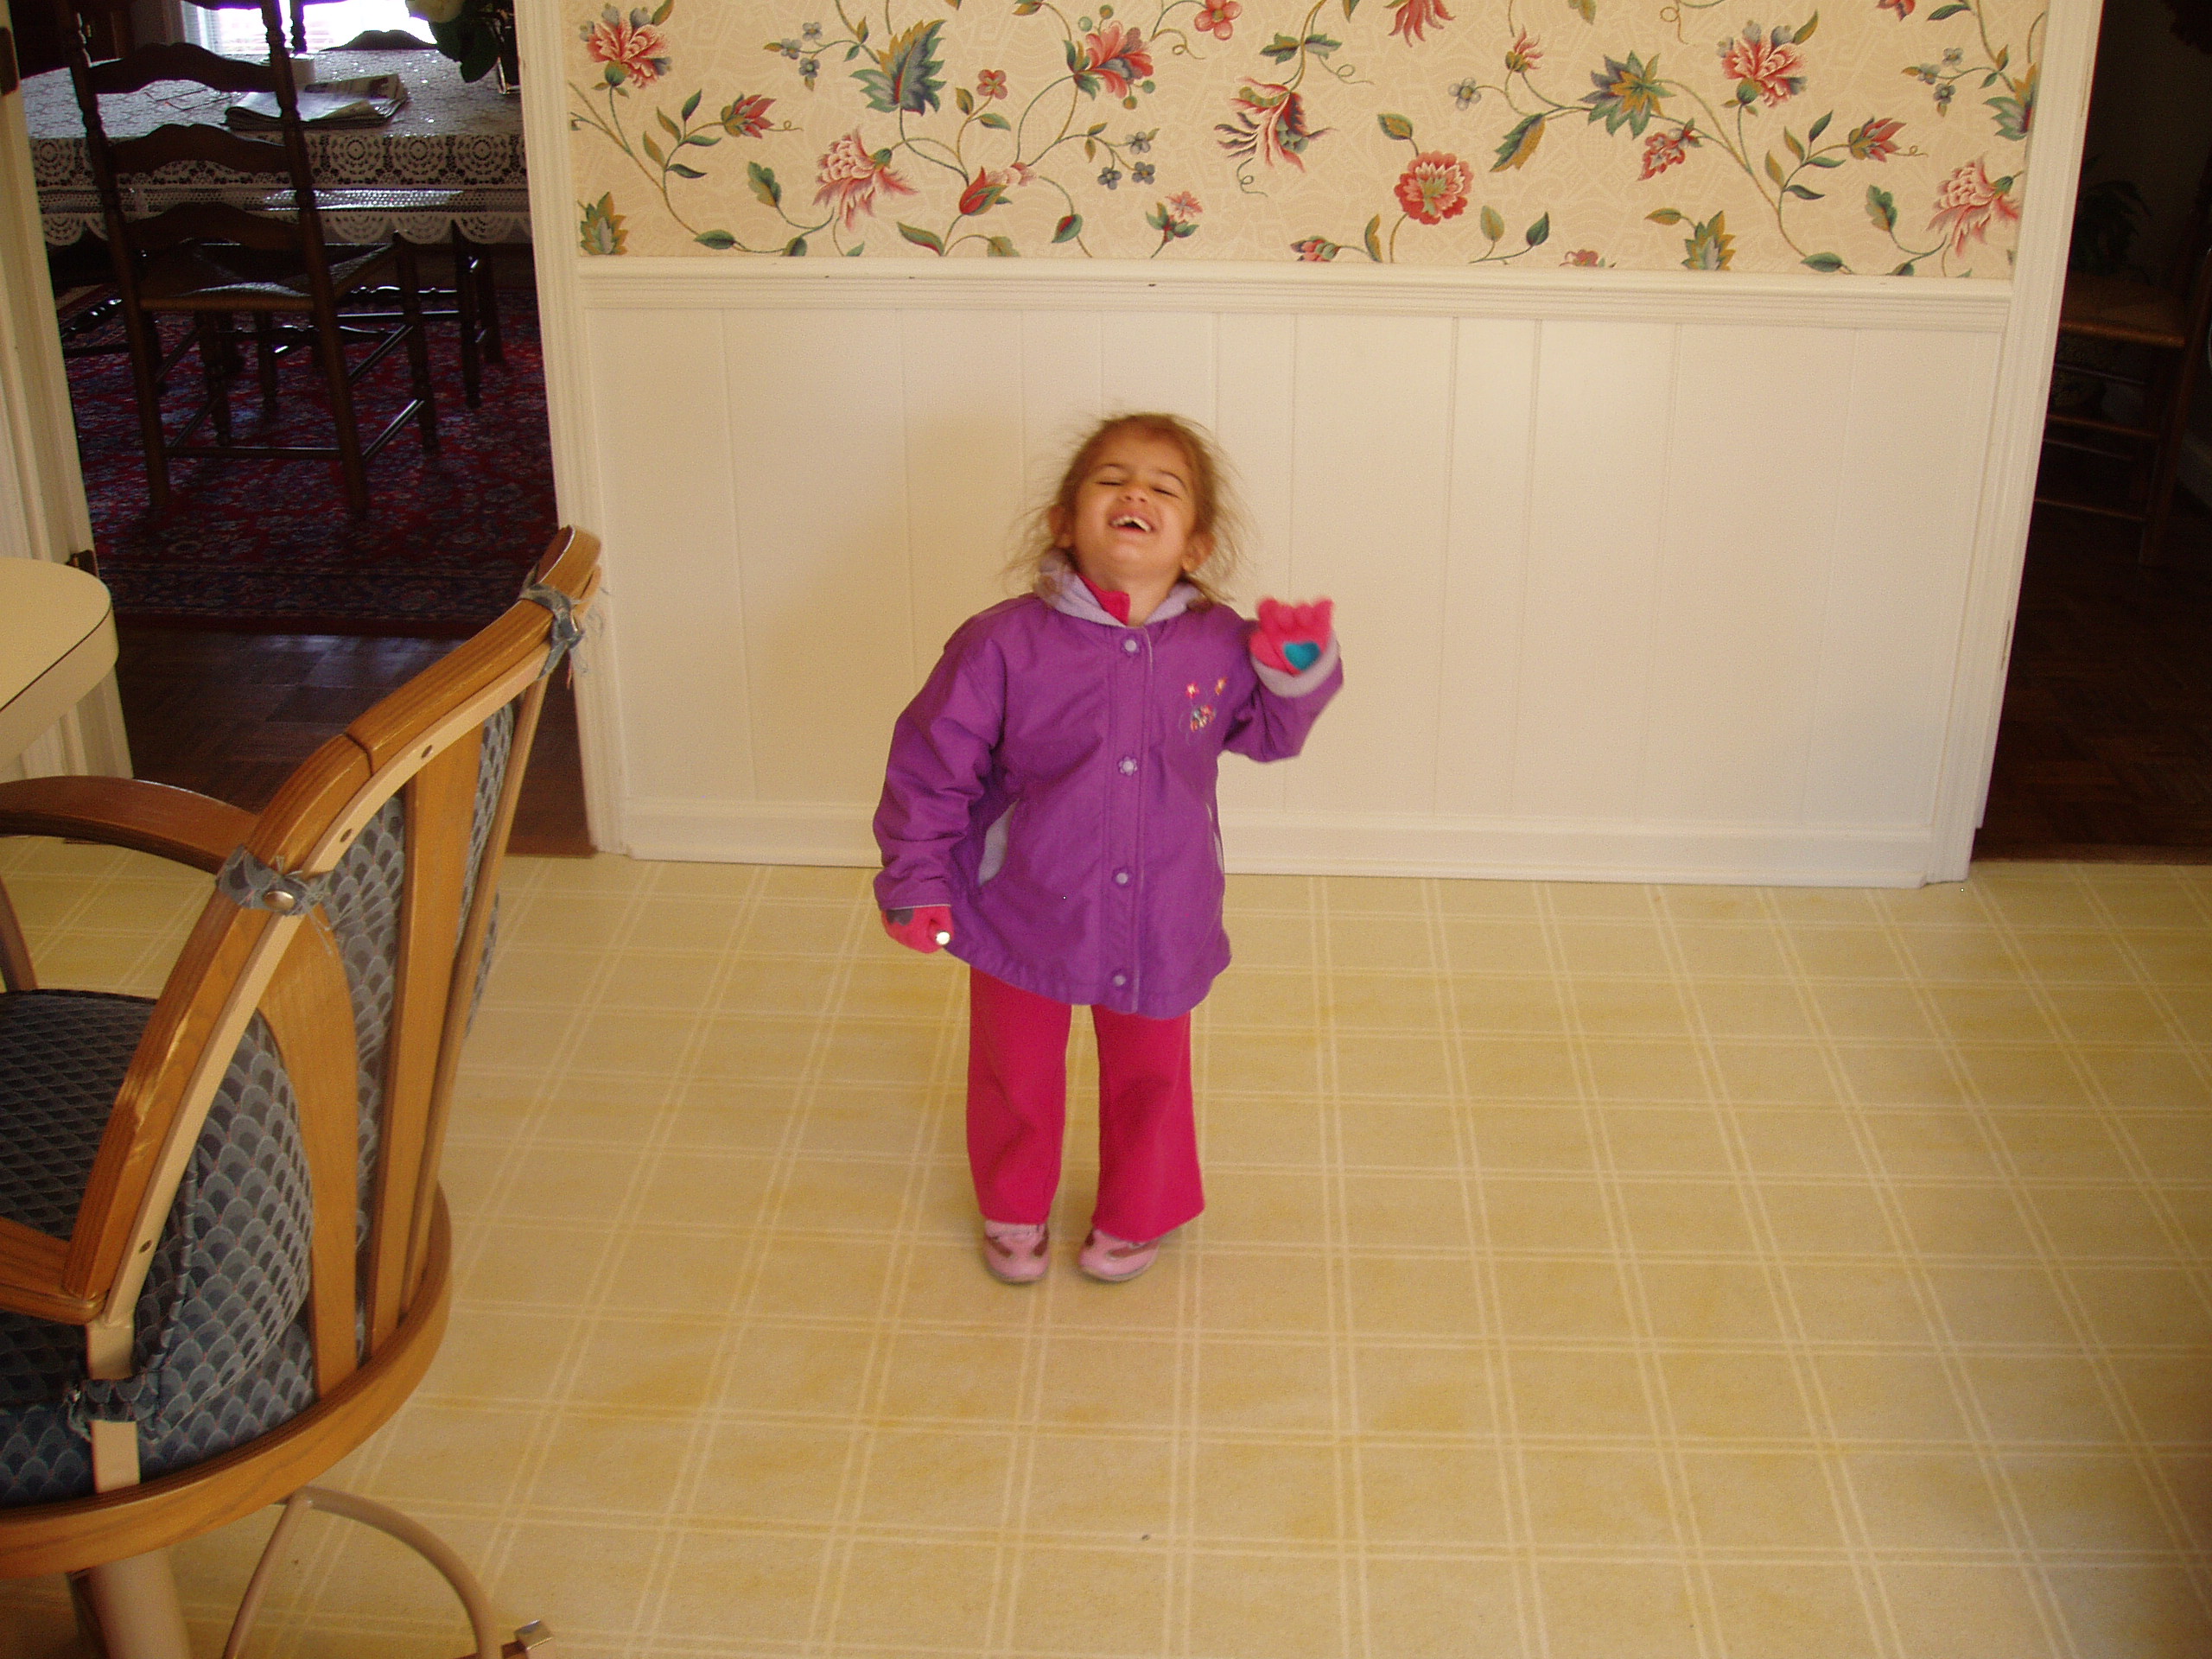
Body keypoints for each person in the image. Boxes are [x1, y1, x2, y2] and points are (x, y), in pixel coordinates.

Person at [873, 413, 1342, 1284]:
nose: (1136, 493)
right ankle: (1014, 1204)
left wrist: (1297, 668)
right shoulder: (1001, 643)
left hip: (1163, 911)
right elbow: (931, 767)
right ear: (1064, 522)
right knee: (1014, 1072)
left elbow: (1270, 734)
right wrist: (916, 879)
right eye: (1111, 479)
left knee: (1151, 1076)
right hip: (1022, 907)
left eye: (1165, 487)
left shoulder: (1219, 644)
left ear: (1195, 544)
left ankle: (1138, 1210)